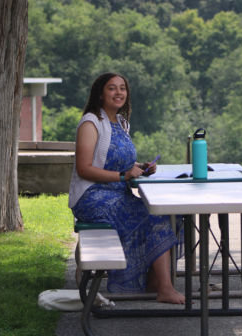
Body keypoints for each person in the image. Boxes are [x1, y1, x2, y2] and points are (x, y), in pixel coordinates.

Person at [68, 73, 185, 304]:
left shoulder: (121, 123)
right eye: (112, 88)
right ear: (101, 93)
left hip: (117, 193)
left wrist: (140, 167)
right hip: (92, 197)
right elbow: (84, 169)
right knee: (152, 217)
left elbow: (117, 160)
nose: (119, 92)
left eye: (122, 88)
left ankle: (154, 281)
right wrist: (124, 175)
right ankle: (165, 288)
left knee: (174, 215)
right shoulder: (91, 123)